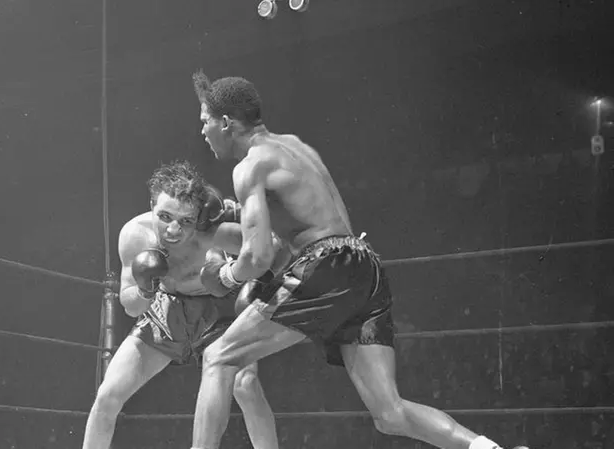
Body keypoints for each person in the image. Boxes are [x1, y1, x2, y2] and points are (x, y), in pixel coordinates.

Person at [188, 70, 528, 449]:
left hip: (326, 265)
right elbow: (279, 239)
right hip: (364, 265)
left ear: (226, 122)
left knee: (218, 358)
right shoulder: (296, 147)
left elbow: (257, 255)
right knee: (390, 415)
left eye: (204, 122)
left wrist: (228, 276)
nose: (202, 132)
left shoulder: (251, 166)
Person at [82, 160, 282, 449]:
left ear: (198, 216)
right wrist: (145, 289)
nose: (173, 229)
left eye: (185, 221)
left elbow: (269, 249)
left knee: (245, 385)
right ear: (151, 206)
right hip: (165, 310)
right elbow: (131, 306)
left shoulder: (215, 234)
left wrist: (232, 271)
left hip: (219, 309)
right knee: (107, 395)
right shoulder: (135, 236)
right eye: (164, 216)